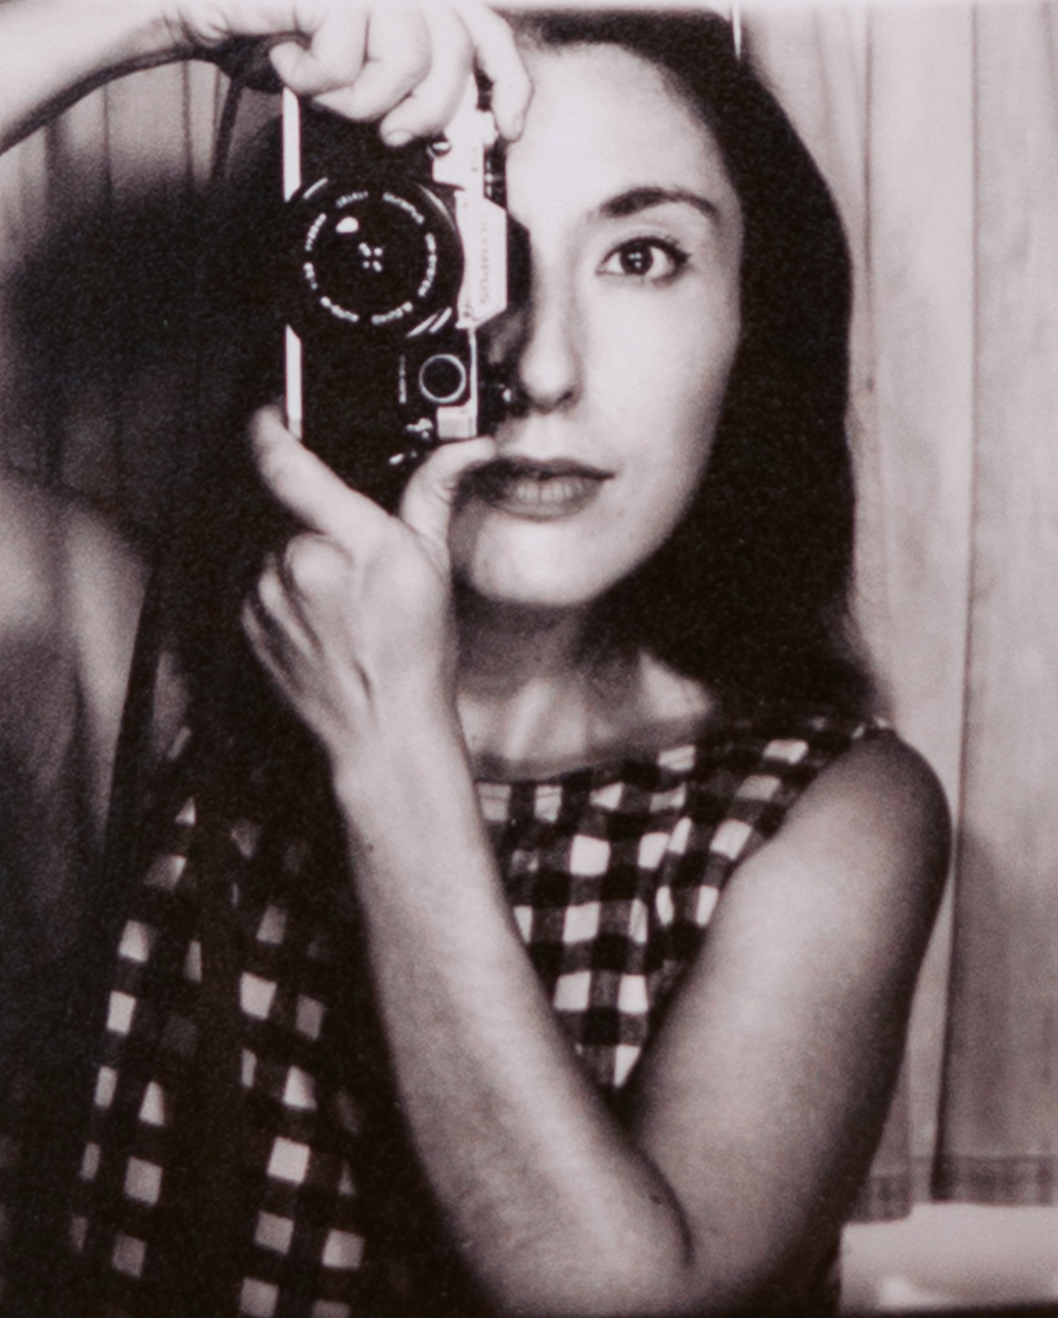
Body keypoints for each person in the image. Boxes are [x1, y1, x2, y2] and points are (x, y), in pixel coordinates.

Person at [0, 2, 950, 1314]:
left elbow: (616, 1293)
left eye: (640, 256)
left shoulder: (833, 810)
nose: (538, 364)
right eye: (454, 251)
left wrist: (391, 756)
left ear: (752, 326)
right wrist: (137, 20)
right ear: (322, 293)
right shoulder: (141, 667)